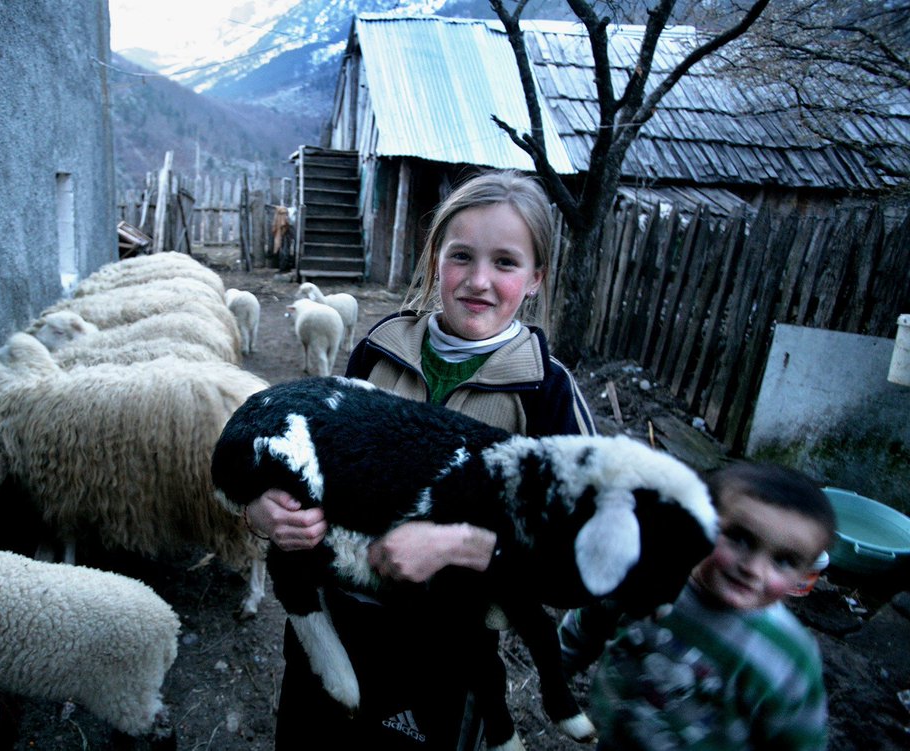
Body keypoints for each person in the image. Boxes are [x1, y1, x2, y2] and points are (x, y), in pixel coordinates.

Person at [246, 169, 595, 750]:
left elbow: (584, 559)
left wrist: (460, 546)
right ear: (436, 259)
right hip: (331, 630)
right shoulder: (378, 353)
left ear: (536, 277)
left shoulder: (546, 395)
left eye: (505, 263)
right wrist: (265, 508)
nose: (478, 281)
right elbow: (308, 459)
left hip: (445, 655)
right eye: (461, 256)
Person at [557, 462, 837, 750]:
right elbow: (585, 627)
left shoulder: (787, 656)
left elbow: (799, 740)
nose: (754, 569)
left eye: (784, 560)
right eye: (740, 538)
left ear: (804, 574)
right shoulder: (642, 579)